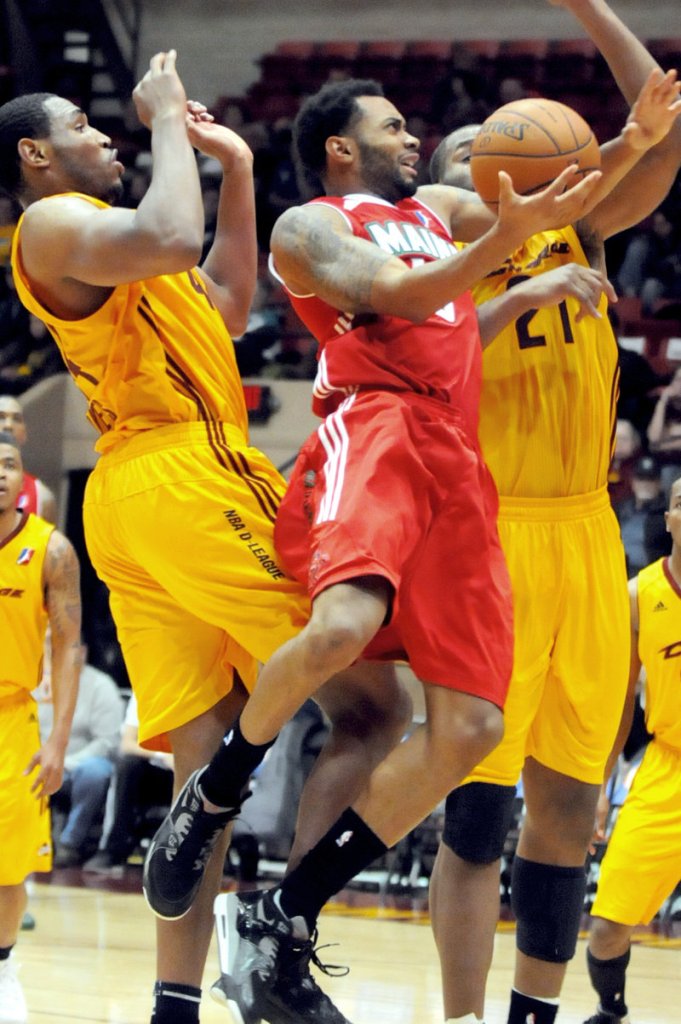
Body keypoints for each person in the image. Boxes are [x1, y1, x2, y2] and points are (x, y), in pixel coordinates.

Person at [139, 61, 660, 1020]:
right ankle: (214, 790)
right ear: (342, 147)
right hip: (372, 430)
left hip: (456, 460)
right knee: (339, 631)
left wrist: (633, 140)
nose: (412, 135)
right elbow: (401, 298)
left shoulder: (439, 207)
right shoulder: (315, 228)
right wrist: (501, 243)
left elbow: (555, 203)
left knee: (470, 728)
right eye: (390, 124)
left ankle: (282, 916)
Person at [0, 53, 411, 1024]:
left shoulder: (117, 251)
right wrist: (162, 124)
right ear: (34, 155)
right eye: (81, 126)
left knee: (200, 777)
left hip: (145, 500)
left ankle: (175, 1005)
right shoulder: (56, 223)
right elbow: (175, 232)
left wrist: (237, 170)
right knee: (375, 701)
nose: (101, 137)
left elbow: (227, 301)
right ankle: (280, 940)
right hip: (188, 476)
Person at [425, 3, 681, 1023]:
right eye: (471, 151)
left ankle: (538, 1008)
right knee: (479, 808)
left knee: (570, 800)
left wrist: (593, 14)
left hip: (587, 531)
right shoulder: (439, 249)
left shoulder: (583, 229)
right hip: (494, 531)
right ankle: (461, 1014)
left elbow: (655, 139)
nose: (494, 160)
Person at [584, 476, 681, 1024]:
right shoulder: (639, 595)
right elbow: (620, 705)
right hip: (668, 769)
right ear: (667, 521)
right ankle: (610, 1010)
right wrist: (602, 787)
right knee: (605, 928)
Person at [0, 430, 81, 1023]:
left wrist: (58, 739)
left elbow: (70, 648)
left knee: (7, 864)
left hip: (11, 722)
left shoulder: (50, 551)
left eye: (9, 464)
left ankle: (2, 972)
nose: (0, 472)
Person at [36, 647, 124, 867]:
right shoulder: (35, 683)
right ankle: (30, 843)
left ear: (82, 652)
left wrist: (65, 762)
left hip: (82, 765)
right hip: (41, 761)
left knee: (95, 772)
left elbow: (107, 741)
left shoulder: (101, 686)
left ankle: (69, 843)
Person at [83, 692, 174, 878]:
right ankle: (111, 850)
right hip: (156, 770)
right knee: (126, 764)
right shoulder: (145, 688)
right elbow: (127, 744)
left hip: (195, 767)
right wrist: (162, 756)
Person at [0, 394, 57, 521]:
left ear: (24, 433)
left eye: (16, 419)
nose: (8, 425)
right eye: (1, 417)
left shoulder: (42, 497)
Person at [616, 455, 670, 576]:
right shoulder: (620, 508)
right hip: (617, 570)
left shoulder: (668, 514)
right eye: (641, 479)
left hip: (651, 575)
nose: (645, 484)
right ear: (633, 482)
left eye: (650, 480)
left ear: (659, 483)